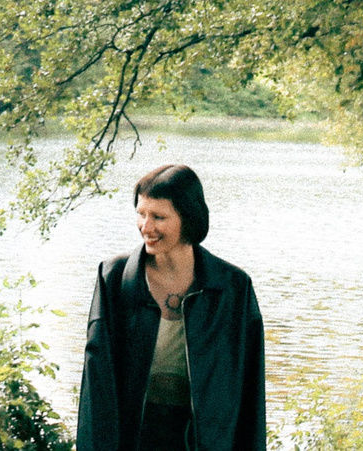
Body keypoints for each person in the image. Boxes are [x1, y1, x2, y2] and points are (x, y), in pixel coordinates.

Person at [75, 163, 265, 451]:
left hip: (206, 440)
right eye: (141, 214)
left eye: (158, 217)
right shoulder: (114, 279)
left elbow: (251, 390)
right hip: (132, 438)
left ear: (187, 218)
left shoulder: (232, 288)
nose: (146, 227)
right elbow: (97, 385)